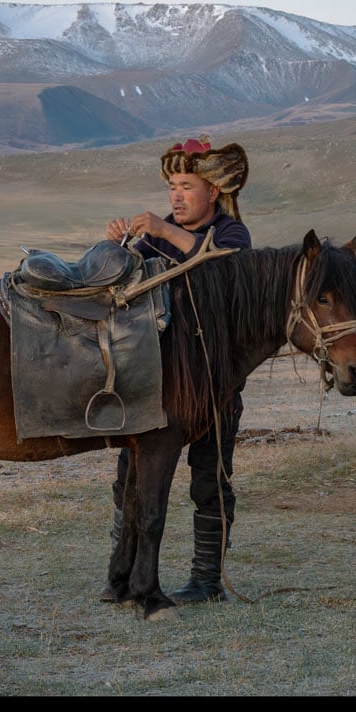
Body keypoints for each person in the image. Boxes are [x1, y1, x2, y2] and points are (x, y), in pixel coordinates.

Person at [105, 135, 250, 604]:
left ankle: (207, 581)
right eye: (171, 186)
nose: (176, 196)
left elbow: (228, 271)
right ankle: (121, 574)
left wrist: (166, 235)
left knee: (210, 482)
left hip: (214, 386)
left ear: (213, 192)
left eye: (187, 185)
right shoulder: (156, 235)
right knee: (131, 474)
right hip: (160, 382)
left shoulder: (232, 234)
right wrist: (117, 249)